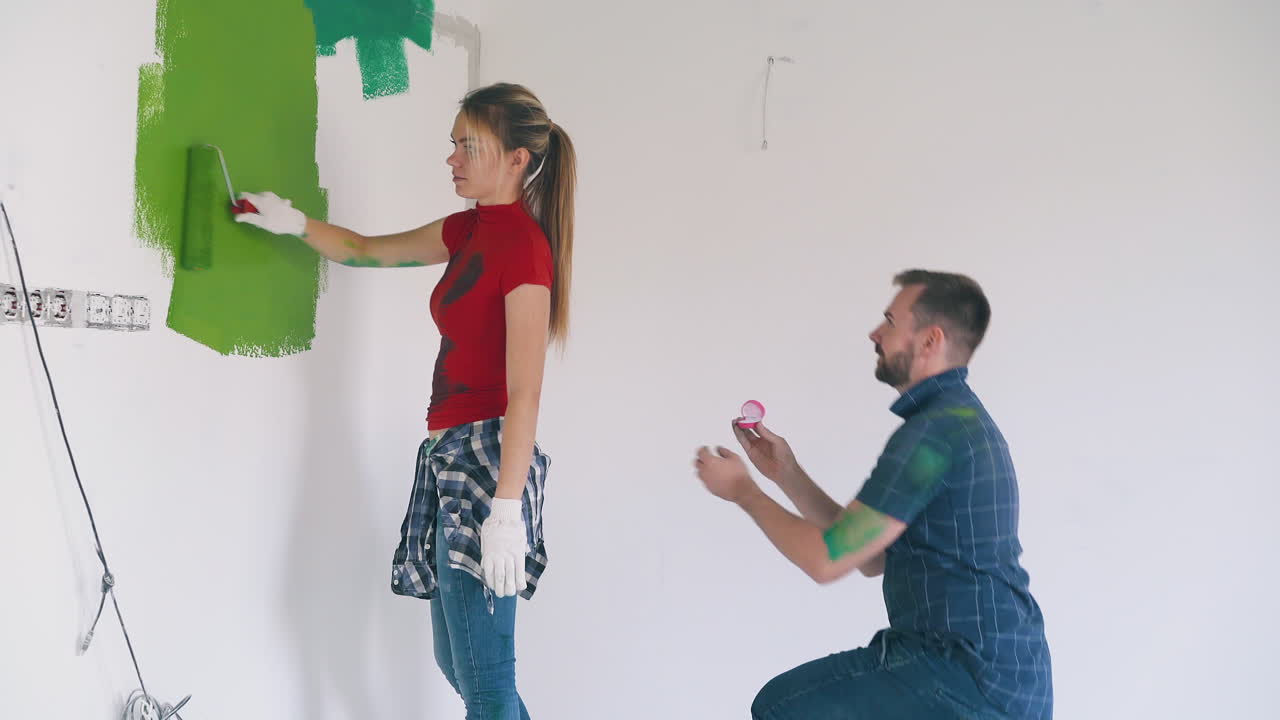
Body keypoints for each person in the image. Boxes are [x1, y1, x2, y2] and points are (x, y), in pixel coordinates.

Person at [236, 82, 575, 719]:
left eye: (468, 146)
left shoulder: (524, 250)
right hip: (448, 455)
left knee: (487, 684)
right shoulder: (466, 230)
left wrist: (506, 511)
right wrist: (293, 223)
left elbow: (526, 391)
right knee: (461, 665)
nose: (452, 159)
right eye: (453, 145)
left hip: (488, 463)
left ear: (517, 159)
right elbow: (367, 251)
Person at [693, 270, 1052, 719]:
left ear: (930, 340)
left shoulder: (934, 436)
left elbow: (826, 561)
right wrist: (786, 474)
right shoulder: (955, 419)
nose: (875, 333)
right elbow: (870, 557)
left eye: (890, 321)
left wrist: (744, 492)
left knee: (780, 707)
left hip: (964, 675)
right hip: (998, 678)